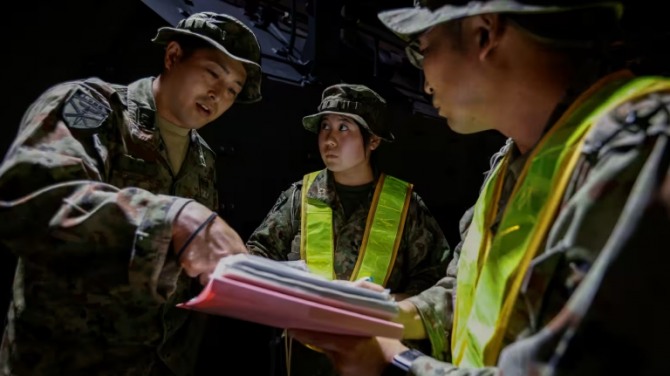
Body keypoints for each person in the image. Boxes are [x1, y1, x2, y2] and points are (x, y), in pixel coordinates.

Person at [288, 0, 670, 375]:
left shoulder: (643, 146)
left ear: (483, 34)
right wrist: (391, 313)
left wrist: (391, 359)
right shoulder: (511, 161)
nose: (422, 78)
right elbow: (469, 291)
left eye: (424, 50)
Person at [0, 11, 262, 375]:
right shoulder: (96, 107)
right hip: (64, 360)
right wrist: (171, 218)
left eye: (233, 89)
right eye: (212, 73)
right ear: (172, 57)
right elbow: (30, 201)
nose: (219, 94)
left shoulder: (203, 159)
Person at [246, 83, 451, 375]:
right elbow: (257, 256)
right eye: (325, 126)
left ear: (373, 141)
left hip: (372, 358)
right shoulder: (300, 196)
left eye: (344, 128)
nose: (329, 139)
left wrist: (388, 305)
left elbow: (436, 280)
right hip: (305, 357)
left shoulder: (405, 205)